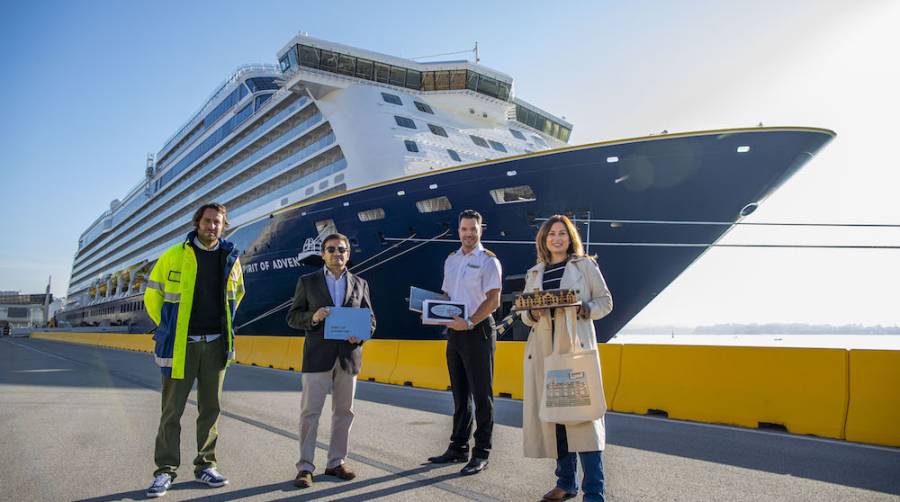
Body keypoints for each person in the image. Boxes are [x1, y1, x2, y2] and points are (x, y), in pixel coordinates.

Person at [143, 202, 245, 498]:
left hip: (215, 344)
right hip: (181, 345)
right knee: (171, 411)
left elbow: (238, 295)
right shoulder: (173, 255)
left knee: (210, 409)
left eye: (218, 222)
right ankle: (165, 470)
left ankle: (206, 465)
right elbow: (153, 295)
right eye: (208, 221)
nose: (212, 226)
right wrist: (166, 328)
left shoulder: (231, 258)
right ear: (197, 222)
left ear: (223, 226)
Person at [519, 214, 613, 502]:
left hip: (572, 351)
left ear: (570, 238)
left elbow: (605, 302)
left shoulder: (584, 266)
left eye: (562, 233)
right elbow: (525, 314)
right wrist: (531, 312)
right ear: (544, 240)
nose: (556, 238)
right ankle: (565, 482)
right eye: (551, 234)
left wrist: (585, 308)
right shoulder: (534, 273)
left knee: (583, 421)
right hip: (545, 353)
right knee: (556, 420)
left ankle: (594, 492)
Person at [286, 233, 376, 489]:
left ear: (348, 254)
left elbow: (370, 320)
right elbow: (293, 317)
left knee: (344, 413)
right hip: (317, 357)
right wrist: (313, 317)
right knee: (310, 413)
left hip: (348, 357)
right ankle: (305, 467)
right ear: (323, 253)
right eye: (331, 249)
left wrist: (359, 336)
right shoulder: (308, 281)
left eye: (342, 249)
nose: (337, 253)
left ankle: (336, 462)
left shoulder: (360, 283)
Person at [427, 209, 502, 475]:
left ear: (481, 229)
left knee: (482, 395)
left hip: (478, 330)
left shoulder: (488, 261)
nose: (469, 234)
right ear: (458, 231)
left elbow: (493, 299)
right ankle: (457, 447)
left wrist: (469, 321)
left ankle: (481, 452)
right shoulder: (452, 260)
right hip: (455, 333)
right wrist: (432, 311)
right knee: (459, 394)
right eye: (464, 229)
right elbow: (447, 294)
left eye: (473, 229)